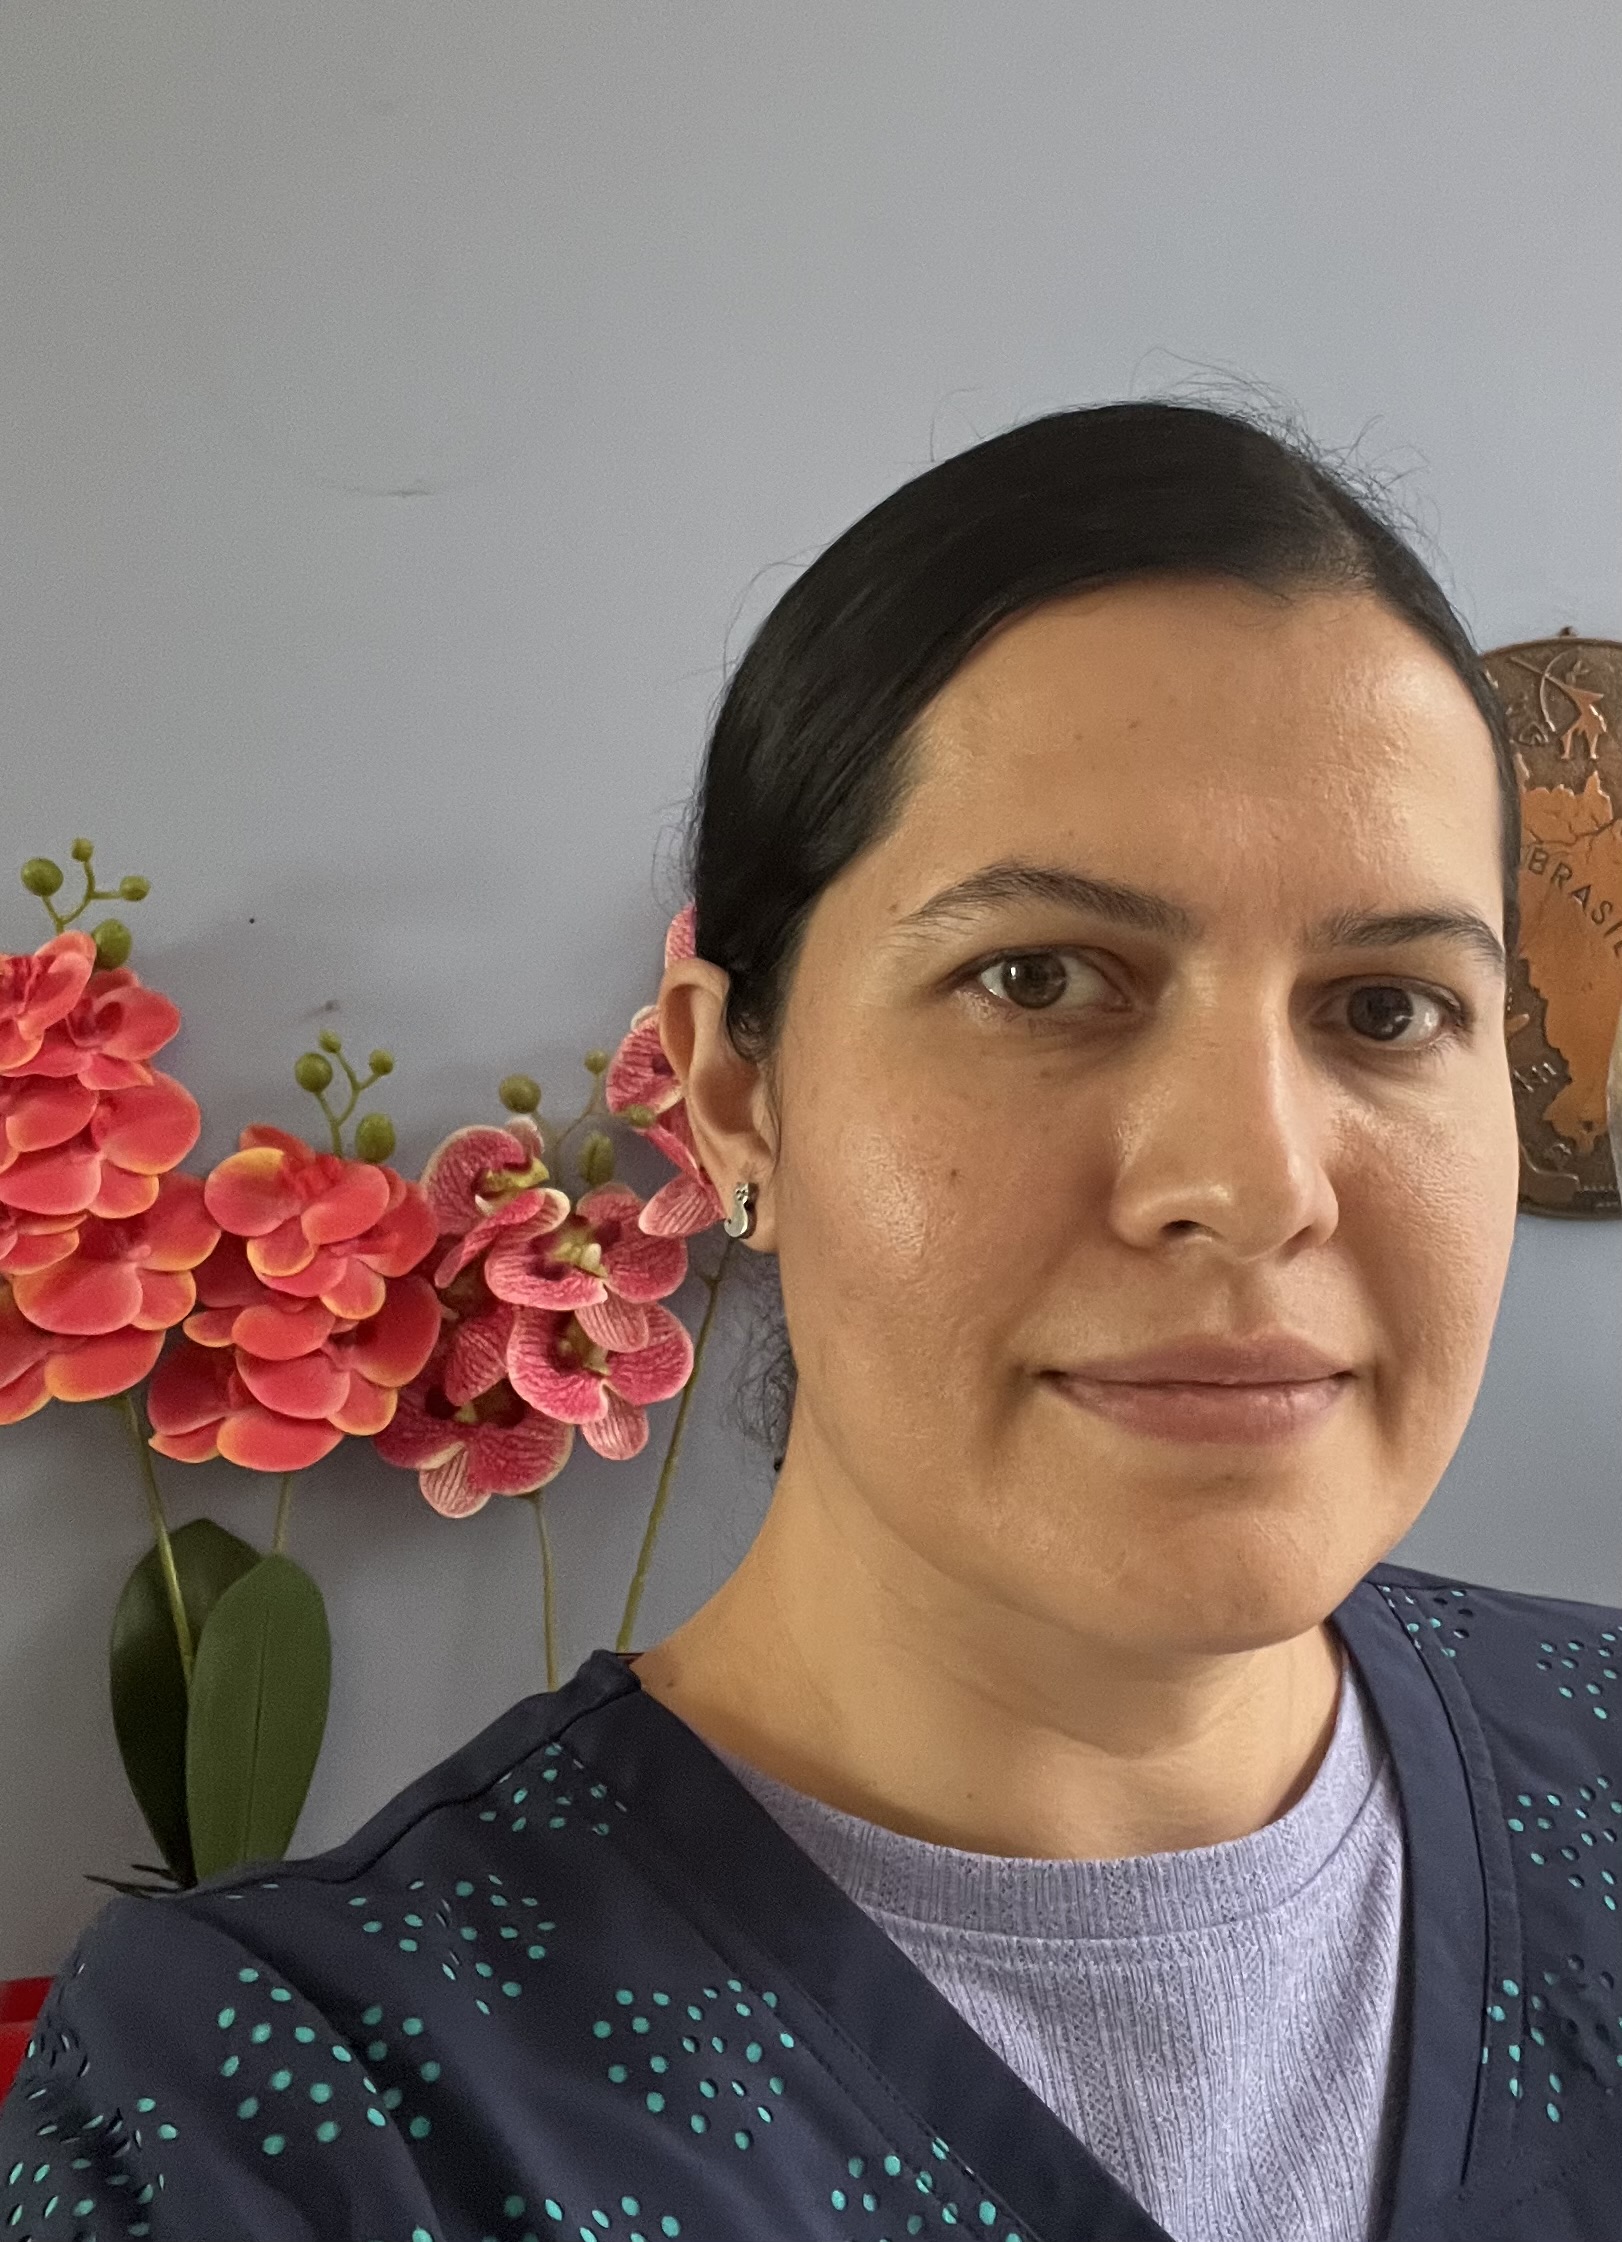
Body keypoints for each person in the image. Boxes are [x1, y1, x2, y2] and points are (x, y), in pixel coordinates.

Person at [3, 400, 1617, 2242]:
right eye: (1039, 977)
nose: (1251, 1183)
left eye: (1388, 1007)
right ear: (732, 1095)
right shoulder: (296, 2116)